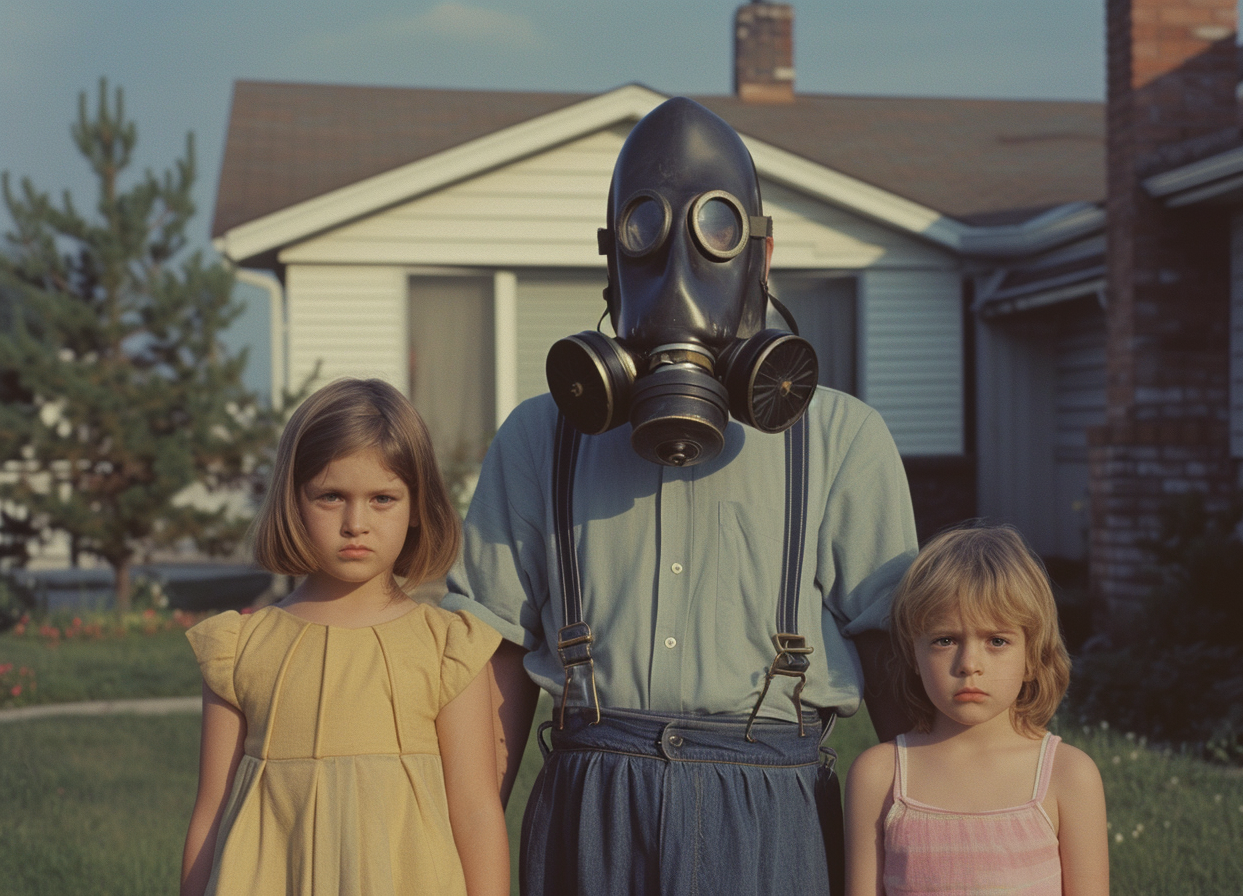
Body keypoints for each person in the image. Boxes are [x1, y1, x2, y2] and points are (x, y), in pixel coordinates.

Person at [443, 97, 919, 896]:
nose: (677, 278)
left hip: (773, 806)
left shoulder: (840, 439)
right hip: (590, 802)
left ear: (762, 257)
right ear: (611, 260)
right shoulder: (540, 437)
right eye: (646, 239)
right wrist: (461, 854)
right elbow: (486, 664)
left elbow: (905, 661)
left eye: (716, 237)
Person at [180, 378, 508, 896]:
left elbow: (476, 810)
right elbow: (210, 810)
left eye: (383, 498)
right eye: (331, 496)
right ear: (294, 500)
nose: (356, 523)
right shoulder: (240, 648)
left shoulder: (449, 648)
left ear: (417, 506)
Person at [844, 524, 1109, 896]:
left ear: (1033, 657)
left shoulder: (1069, 775)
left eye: (996, 641)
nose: (969, 663)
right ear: (913, 655)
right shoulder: (878, 776)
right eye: (945, 640)